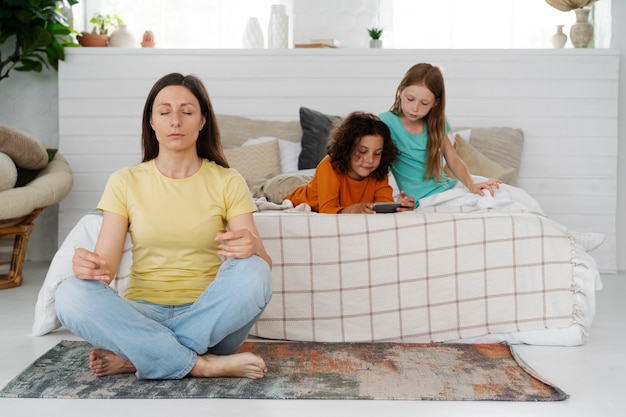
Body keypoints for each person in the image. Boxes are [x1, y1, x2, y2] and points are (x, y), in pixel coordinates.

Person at [55, 73, 273, 380]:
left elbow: (263, 267)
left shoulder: (228, 180)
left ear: (202, 121)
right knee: (69, 294)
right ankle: (199, 364)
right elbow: (106, 268)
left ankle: (143, 356)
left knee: (256, 271)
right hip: (142, 314)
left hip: (212, 321)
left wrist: (251, 248)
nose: (175, 121)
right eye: (164, 112)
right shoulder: (124, 181)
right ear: (151, 121)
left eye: (186, 112)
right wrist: (88, 267)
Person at [379, 63, 504, 208]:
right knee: (487, 201)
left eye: (424, 103)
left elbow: (454, 160)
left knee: (497, 192)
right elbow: (376, 164)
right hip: (423, 199)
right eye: (410, 99)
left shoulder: (436, 123)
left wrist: (471, 185)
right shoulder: (385, 122)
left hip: (447, 188)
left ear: (435, 103)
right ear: (400, 91)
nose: (415, 108)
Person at [283, 111, 414, 213]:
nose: (370, 160)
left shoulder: (377, 170)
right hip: (292, 193)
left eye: (377, 153)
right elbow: (327, 210)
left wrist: (397, 206)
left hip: (315, 182)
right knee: (268, 185)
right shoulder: (329, 165)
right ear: (347, 148)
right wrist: (353, 210)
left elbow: (383, 204)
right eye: (363, 151)